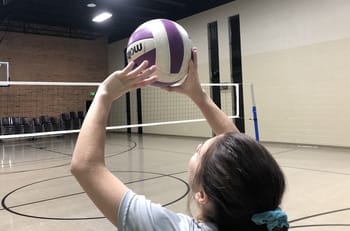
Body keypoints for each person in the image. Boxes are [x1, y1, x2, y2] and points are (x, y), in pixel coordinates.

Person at [71, 47, 289, 231]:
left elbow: (86, 167)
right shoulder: (260, 215)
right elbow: (238, 150)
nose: (198, 146)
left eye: (200, 152)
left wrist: (104, 94)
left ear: (202, 195)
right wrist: (198, 94)